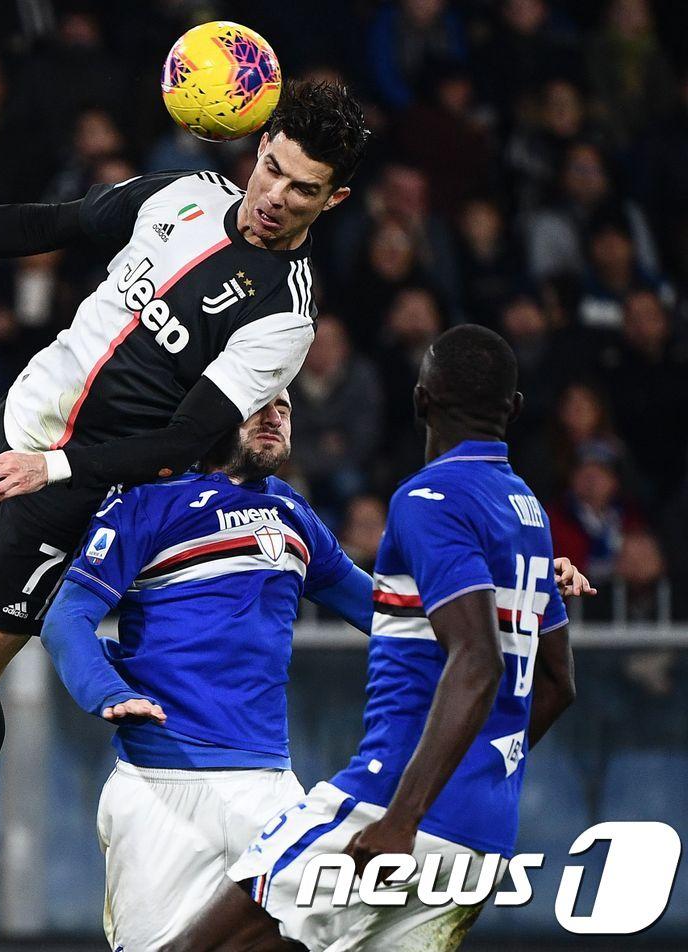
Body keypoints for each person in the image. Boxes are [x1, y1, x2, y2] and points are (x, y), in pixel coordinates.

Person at [0, 80, 371, 942]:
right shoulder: (183, 195)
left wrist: (52, 469)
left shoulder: (286, 318)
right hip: (19, 415)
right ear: (258, 146)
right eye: (272, 169)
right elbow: (49, 223)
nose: (275, 197)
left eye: (303, 189)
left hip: (79, 483)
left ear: (333, 198)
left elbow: (180, 444)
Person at [40, 391, 591, 951]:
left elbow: (390, 613)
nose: (274, 416)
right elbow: (67, 615)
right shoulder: (147, 505)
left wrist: (521, 585)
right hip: (161, 784)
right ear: (214, 414)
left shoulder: (293, 511)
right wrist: (104, 690)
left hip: (271, 790)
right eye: (258, 403)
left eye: (284, 406)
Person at [180, 325, 582, 952]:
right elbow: (558, 684)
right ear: (517, 410)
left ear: (421, 399)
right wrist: (475, 771)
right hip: (482, 832)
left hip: (389, 804)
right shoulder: (526, 509)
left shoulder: (429, 497)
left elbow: (477, 660)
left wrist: (404, 815)